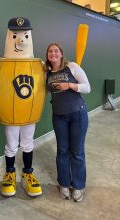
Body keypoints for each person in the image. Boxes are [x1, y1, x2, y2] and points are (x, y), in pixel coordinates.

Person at [0, 18, 43, 198]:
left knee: (27, 143)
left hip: (29, 111)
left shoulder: (40, 65)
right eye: (16, 36)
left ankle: (27, 173)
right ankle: (10, 173)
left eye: (26, 35)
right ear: (9, 37)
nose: (21, 41)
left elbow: (56, 74)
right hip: (11, 113)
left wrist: (71, 70)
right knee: (11, 144)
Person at [44, 43, 91, 203]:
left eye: (56, 50)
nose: (53, 53)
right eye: (50, 51)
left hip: (78, 115)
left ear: (61, 54)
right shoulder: (47, 73)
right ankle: (64, 184)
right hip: (59, 117)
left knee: (77, 151)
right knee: (62, 151)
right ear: (47, 55)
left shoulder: (72, 66)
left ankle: (78, 186)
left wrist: (70, 85)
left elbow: (87, 87)